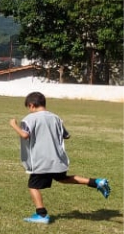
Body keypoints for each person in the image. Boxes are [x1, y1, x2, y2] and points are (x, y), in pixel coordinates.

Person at [8, 91, 111, 224]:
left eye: (29, 107)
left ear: (32, 105)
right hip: (57, 159)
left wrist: (13, 125)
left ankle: (42, 215)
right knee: (63, 178)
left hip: (42, 161)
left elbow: (25, 135)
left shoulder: (30, 118)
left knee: (33, 186)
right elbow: (66, 135)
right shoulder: (56, 118)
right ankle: (96, 182)